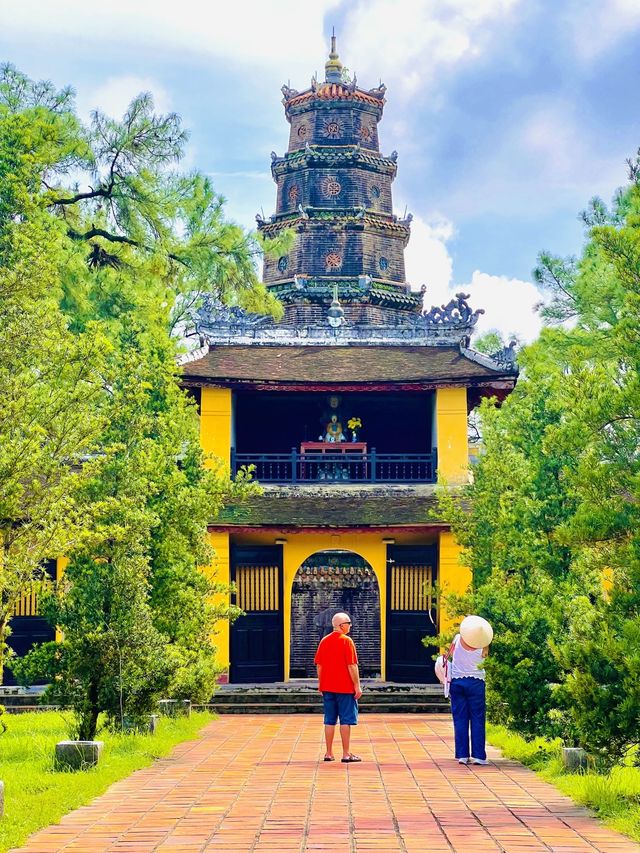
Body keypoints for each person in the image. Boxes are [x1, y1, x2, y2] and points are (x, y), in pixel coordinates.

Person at [314, 611, 363, 763]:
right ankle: (346, 753)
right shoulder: (346, 641)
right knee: (345, 720)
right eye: (348, 623)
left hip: (328, 686)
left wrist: (321, 684)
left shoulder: (324, 641)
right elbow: (352, 665)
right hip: (345, 687)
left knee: (329, 720)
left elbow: (319, 665)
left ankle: (328, 753)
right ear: (342, 625)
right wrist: (357, 686)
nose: (350, 626)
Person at [449, 619, 491, 765]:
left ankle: (462, 755)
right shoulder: (484, 645)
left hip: (457, 682)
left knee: (459, 719)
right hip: (476, 683)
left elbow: (449, 655)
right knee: (477, 719)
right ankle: (479, 756)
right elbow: (485, 660)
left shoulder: (457, 638)